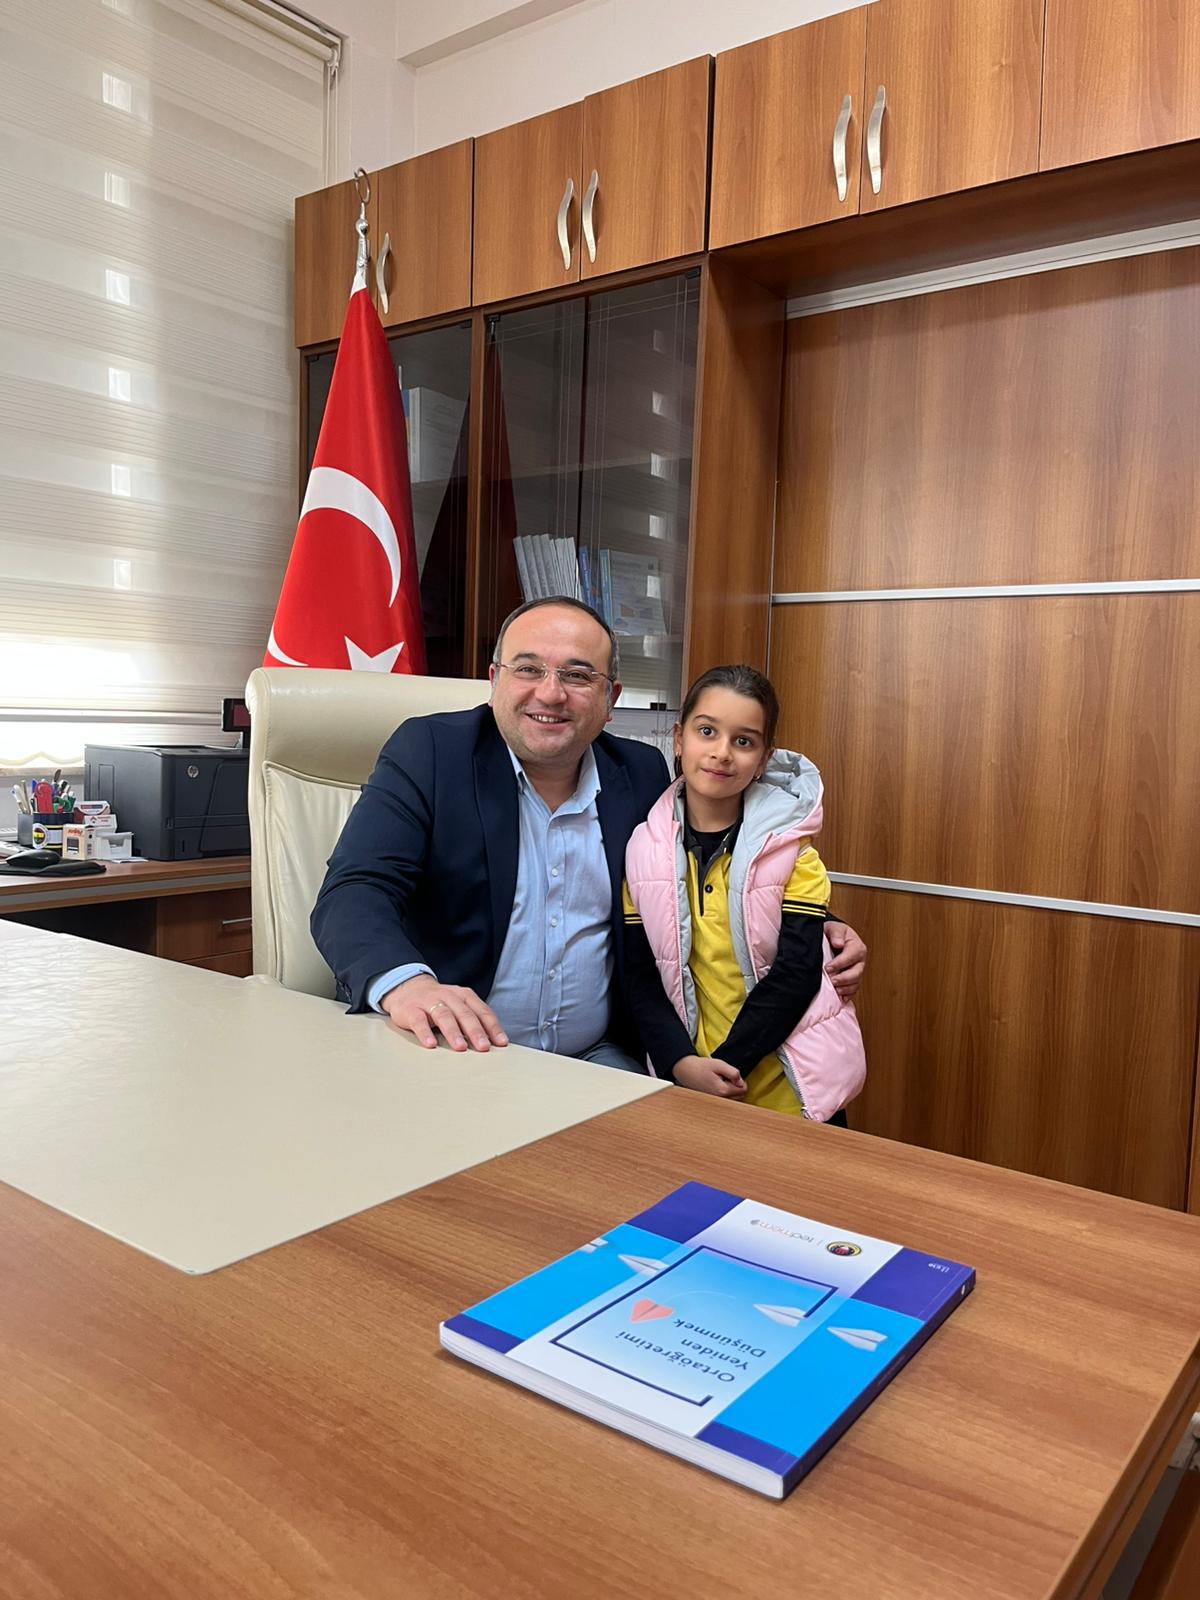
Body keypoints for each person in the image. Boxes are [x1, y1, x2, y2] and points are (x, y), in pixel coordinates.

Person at [312, 598, 867, 1070]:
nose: (550, 693)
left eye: (577, 676)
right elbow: (355, 890)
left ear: (611, 699)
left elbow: (708, 865)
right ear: (495, 681)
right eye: (528, 669)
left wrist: (816, 921)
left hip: (600, 1059)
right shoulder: (431, 753)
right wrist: (409, 985)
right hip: (460, 1055)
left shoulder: (640, 772)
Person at [621, 663, 866, 1121]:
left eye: (744, 741)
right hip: (691, 1081)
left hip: (790, 1093)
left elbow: (796, 975)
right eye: (707, 731)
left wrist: (727, 1065)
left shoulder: (794, 853)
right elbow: (640, 977)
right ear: (678, 739)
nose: (722, 753)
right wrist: (681, 1065)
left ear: (764, 759)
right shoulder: (641, 852)